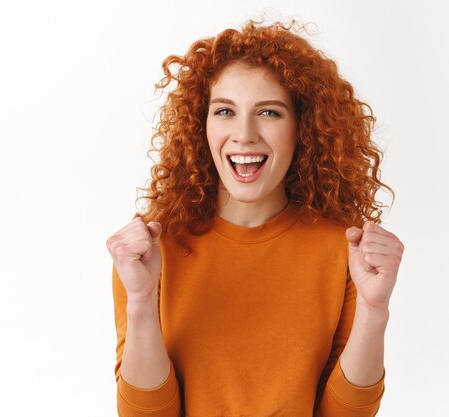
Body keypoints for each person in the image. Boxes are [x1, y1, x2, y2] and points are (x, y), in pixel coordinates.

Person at [105, 18, 404, 417]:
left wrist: (375, 310)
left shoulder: (343, 250)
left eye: (269, 112)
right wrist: (141, 301)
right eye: (225, 110)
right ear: (201, 126)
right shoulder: (150, 250)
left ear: (304, 127)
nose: (244, 133)